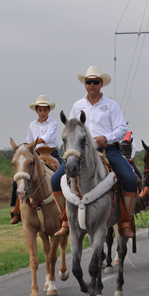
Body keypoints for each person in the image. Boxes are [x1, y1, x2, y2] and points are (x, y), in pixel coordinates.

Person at [50, 66, 137, 238]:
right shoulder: (77, 106)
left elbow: (121, 128)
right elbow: (71, 129)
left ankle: (125, 220)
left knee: (130, 179)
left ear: (101, 84)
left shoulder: (111, 105)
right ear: (85, 84)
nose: (92, 85)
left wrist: (107, 137)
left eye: (95, 82)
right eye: (88, 82)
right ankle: (66, 219)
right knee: (54, 180)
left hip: (107, 150)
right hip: (81, 153)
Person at [10, 95, 62, 225]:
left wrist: (35, 142)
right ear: (36, 111)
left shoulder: (53, 123)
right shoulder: (32, 125)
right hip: (35, 154)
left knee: (65, 173)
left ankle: (67, 207)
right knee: (18, 178)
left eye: (45, 110)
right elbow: (28, 141)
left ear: (49, 110)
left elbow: (49, 136)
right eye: (40, 110)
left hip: (51, 153)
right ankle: (17, 210)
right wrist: (28, 147)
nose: (43, 113)